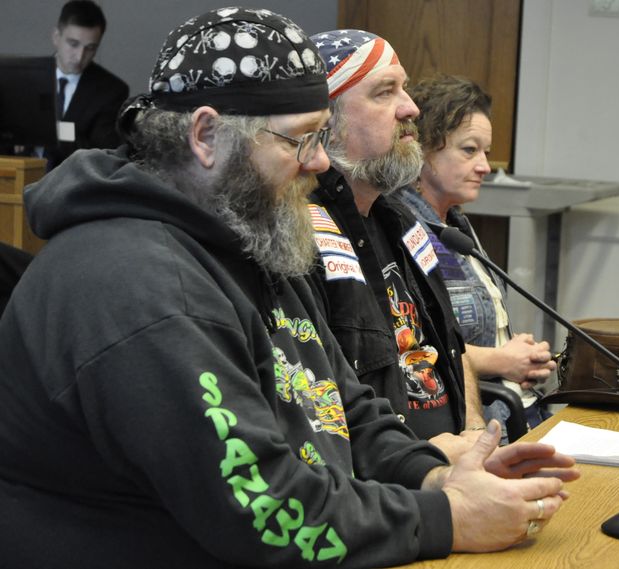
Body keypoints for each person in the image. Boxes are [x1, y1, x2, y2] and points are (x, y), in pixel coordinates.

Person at [0, 8, 577, 568]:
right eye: (300, 140)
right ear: (206, 136)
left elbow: (343, 405)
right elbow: (265, 511)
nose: (321, 162)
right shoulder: (138, 284)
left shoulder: (248, 234)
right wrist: (447, 516)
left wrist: (434, 473)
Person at [307, 31, 555, 456]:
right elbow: (323, 405)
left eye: (404, 88)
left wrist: (475, 433)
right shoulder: (301, 236)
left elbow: (451, 349)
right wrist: (434, 463)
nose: (411, 108)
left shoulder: (403, 224)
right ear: (326, 119)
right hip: (398, 485)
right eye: (385, 92)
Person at [400, 74, 555, 440]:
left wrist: (523, 354)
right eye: (469, 150)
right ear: (422, 150)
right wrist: (504, 361)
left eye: (485, 151)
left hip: (517, 409)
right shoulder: (402, 231)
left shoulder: (455, 223)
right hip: (479, 426)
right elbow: (413, 348)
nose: (485, 165)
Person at [48, 0, 129, 168]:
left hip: (73, 184)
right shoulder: (25, 76)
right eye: (73, 44)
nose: (79, 56)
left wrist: (51, 130)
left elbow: (103, 153)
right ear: (56, 37)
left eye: (90, 48)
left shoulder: (111, 91)